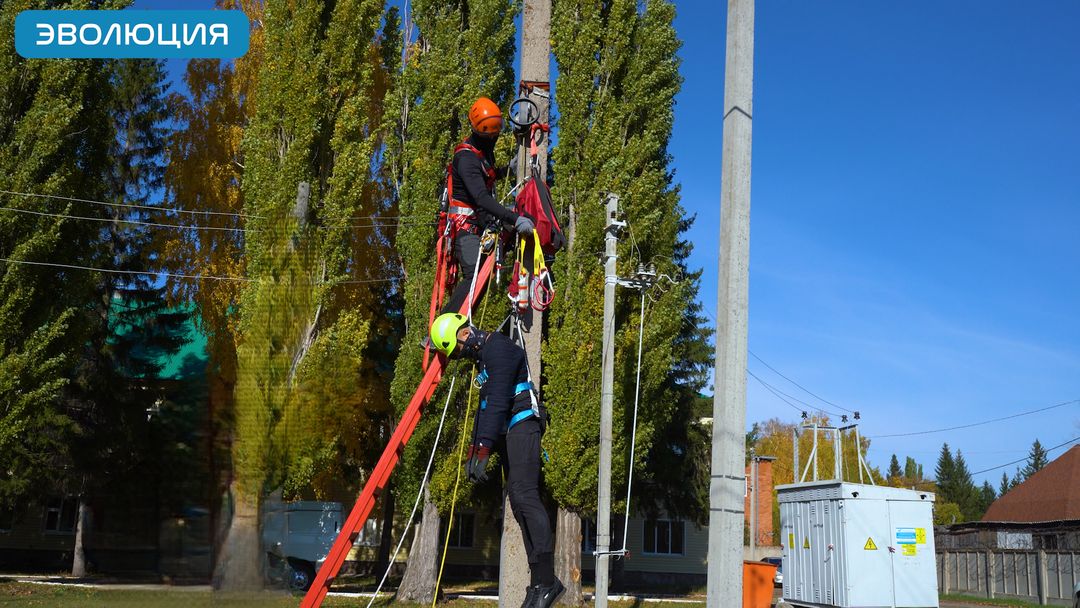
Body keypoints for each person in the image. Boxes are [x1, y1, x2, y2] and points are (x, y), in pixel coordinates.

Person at [429, 312, 563, 608]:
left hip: (524, 424)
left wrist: (484, 450)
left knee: (526, 496)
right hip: (510, 430)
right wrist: (474, 451)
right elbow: (486, 407)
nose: (461, 357)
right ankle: (538, 583)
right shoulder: (485, 357)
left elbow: (500, 400)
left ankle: (547, 580)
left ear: (464, 335)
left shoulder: (500, 348)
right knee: (517, 500)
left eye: (457, 350)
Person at [443, 97, 535, 314]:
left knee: (482, 279)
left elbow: (486, 178)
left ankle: (462, 324)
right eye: (491, 136)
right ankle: (444, 326)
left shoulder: (482, 153)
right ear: (481, 134)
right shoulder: (466, 159)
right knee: (475, 275)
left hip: (479, 226)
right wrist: (513, 219)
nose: (494, 139)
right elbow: (482, 198)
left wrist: (506, 171)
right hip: (466, 229)